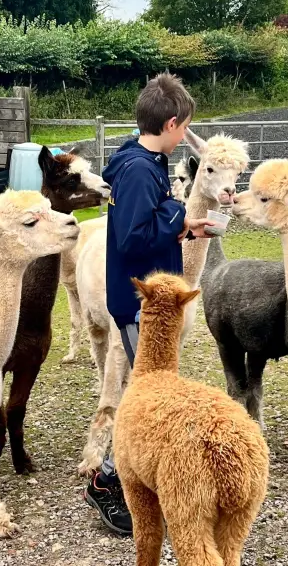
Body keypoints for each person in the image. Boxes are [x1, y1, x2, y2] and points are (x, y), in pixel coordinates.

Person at [82, 73, 214, 534]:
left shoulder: (143, 163)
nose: (184, 137)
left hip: (151, 300)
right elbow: (135, 239)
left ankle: (134, 478)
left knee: (151, 392)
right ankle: (108, 480)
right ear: (172, 123)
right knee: (147, 397)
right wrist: (178, 215)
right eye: (185, 129)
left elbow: (146, 225)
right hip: (143, 305)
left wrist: (185, 230)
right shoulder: (140, 169)